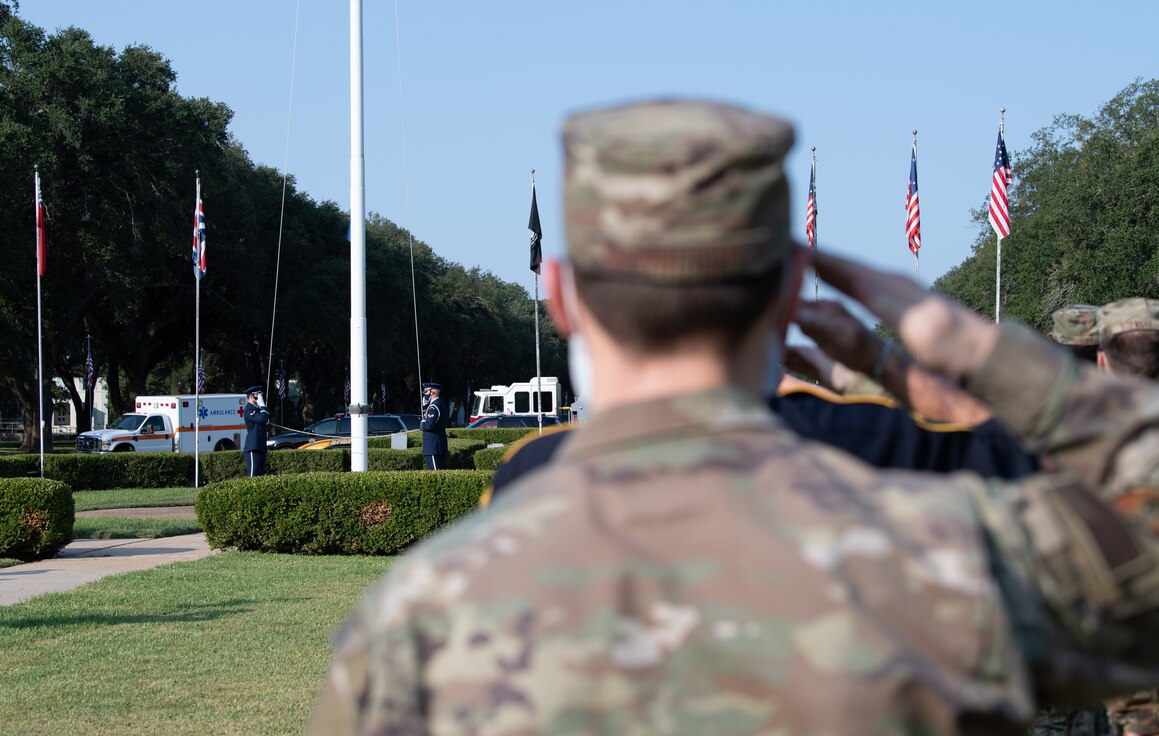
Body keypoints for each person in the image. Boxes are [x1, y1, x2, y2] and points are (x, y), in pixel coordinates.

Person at [310, 99, 1159, 734]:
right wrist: (958, 352)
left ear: (560, 296)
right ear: (791, 290)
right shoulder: (955, 559)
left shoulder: (419, 623)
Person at [418, 381, 448, 470]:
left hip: (433, 446)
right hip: (437, 445)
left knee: (436, 473)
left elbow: (428, 426)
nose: (424, 394)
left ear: (432, 392)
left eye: (426, 391)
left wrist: (421, 424)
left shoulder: (433, 407)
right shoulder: (440, 404)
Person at [242, 385, 269, 477]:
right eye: (258, 394)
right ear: (252, 396)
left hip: (260, 446)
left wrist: (262, 409)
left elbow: (265, 420)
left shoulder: (257, 409)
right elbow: (262, 419)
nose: (260, 396)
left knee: (259, 476)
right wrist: (263, 407)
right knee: (253, 476)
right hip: (253, 447)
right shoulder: (249, 409)